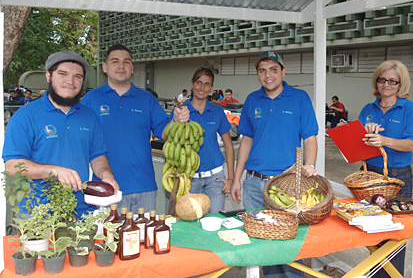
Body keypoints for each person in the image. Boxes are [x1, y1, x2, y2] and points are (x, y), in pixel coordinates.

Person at [231, 51, 318, 278]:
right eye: (262, 70)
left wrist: (309, 165)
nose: (268, 75)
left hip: (286, 186)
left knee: (290, 245)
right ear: (258, 74)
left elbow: (310, 137)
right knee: (264, 244)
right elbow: (246, 140)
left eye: (273, 69)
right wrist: (237, 179)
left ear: (283, 71)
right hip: (254, 184)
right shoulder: (252, 100)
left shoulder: (299, 98)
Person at [2, 50, 119, 218]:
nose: (70, 81)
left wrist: (107, 176)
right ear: (48, 76)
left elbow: (97, 155)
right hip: (38, 214)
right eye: (63, 74)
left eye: (77, 76)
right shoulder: (25, 116)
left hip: (82, 212)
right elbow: (12, 166)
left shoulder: (89, 115)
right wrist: (53, 171)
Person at [81, 44, 189, 213]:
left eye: (126, 62)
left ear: (132, 68)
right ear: (104, 67)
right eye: (115, 61)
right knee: (110, 239)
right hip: (107, 189)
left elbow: (165, 134)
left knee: (145, 238)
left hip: (144, 186)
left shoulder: (146, 99)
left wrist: (176, 119)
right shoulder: (91, 99)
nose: (121, 66)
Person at [359, 60, 413, 278]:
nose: (386, 84)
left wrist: (384, 140)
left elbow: (412, 144)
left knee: (394, 234)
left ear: (400, 84)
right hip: (369, 176)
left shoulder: (409, 109)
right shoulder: (369, 109)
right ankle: (374, 274)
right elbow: (357, 144)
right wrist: (360, 135)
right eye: (382, 79)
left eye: (392, 81)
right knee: (371, 232)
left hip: (397, 177)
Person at [176, 67, 234, 213]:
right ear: (192, 84)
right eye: (199, 83)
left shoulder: (217, 111)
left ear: (212, 88)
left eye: (207, 84)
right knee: (189, 225)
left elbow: (228, 146)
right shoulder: (181, 111)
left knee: (214, 223)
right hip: (189, 179)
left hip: (215, 179)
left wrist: (231, 178)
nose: (202, 88)